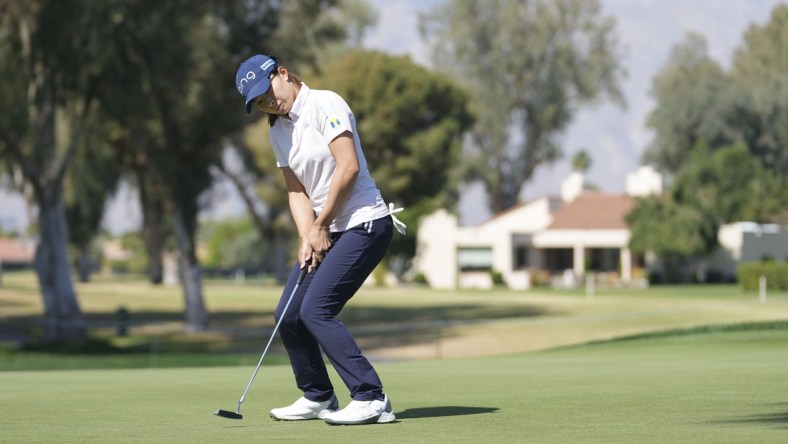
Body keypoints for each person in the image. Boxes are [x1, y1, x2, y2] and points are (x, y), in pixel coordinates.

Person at [234, 54, 405, 426]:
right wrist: (306, 234)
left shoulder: (326, 103)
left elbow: (349, 166)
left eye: (267, 93)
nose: (268, 103)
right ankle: (317, 394)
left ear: (282, 73)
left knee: (316, 310)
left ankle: (371, 397)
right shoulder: (278, 130)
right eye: (258, 102)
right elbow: (296, 192)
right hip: (327, 230)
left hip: (365, 224)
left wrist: (321, 224)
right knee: (289, 314)